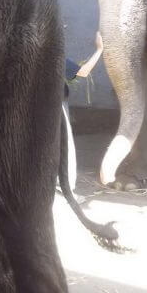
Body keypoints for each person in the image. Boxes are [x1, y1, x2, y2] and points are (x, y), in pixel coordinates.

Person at [62, 31, 105, 190]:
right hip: (57, 107)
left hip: (36, 108)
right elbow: (84, 72)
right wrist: (100, 49)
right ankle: (65, 184)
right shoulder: (55, 57)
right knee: (65, 144)